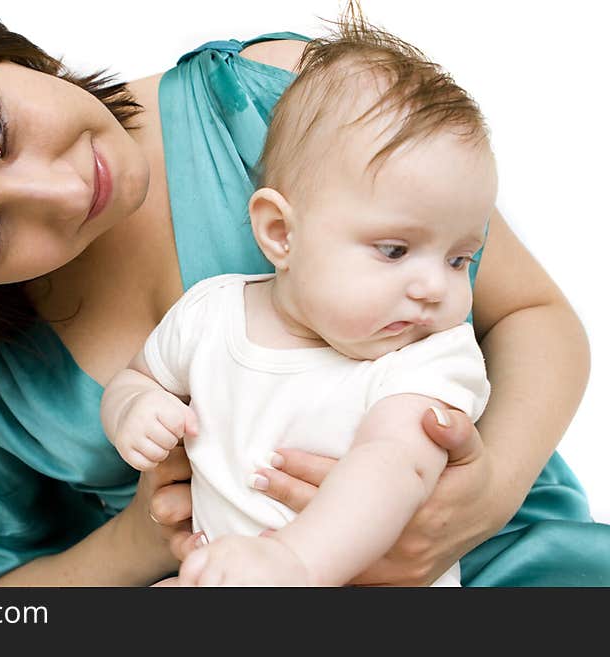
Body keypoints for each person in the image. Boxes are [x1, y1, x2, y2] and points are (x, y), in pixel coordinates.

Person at [0, 0, 607, 586]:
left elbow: (536, 317)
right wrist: (143, 539)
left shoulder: (277, 105)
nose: (67, 189)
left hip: (515, 564)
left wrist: (467, 508)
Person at [101, 24, 494, 586]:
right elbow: (137, 379)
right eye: (395, 250)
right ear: (281, 233)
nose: (435, 287)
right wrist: (132, 410)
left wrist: (295, 562)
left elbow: (394, 464)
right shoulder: (211, 312)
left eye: (460, 259)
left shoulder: (429, 358)